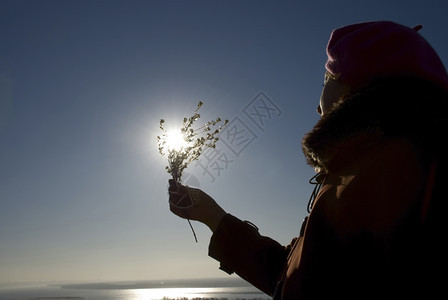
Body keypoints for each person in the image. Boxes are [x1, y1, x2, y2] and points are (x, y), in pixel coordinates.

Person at [168, 21, 448, 299]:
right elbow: (294, 276)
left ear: (355, 86)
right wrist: (212, 216)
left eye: (326, 81)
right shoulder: (356, 173)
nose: (317, 105)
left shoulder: (381, 182)